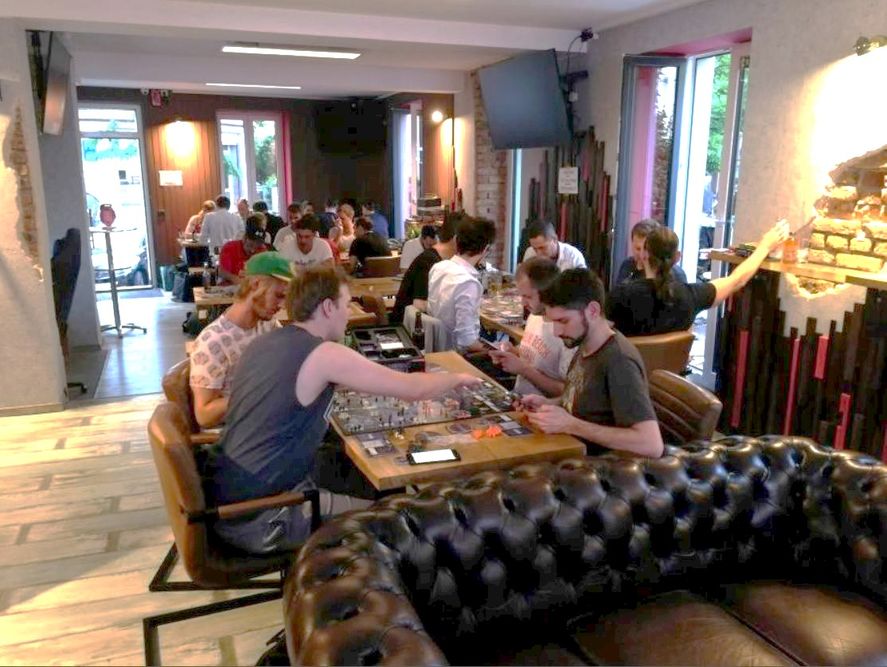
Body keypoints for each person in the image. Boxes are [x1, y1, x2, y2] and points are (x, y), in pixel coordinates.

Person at [206, 265, 481, 554]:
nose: (348, 313)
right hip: (264, 515)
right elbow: (413, 389)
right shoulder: (325, 354)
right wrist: (458, 378)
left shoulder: (263, 341)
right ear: (327, 307)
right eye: (346, 304)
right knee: (405, 520)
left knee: (370, 480)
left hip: (230, 495)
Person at [517, 269, 663, 458]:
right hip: (568, 448)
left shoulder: (619, 360)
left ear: (593, 311)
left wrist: (571, 424)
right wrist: (549, 405)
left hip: (596, 467)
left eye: (563, 321)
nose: (556, 331)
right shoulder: (583, 343)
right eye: (553, 322)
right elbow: (588, 402)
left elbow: (651, 444)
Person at [606, 220, 789, 337]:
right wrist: (765, 246)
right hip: (669, 383)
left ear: (645, 255)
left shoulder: (621, 295)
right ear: (677, 257)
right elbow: (737, 280)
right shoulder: (691, 295)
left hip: (627, 383)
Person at [189, 252, 292, 428]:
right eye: (278, 295)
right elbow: (204, 415)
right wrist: (256, 394)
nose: (282, 305)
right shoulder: (213, 341)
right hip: (243, 434)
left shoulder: (269, 326)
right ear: (255, 284)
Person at [489, 257, 574, 397]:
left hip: (543, 407)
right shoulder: (535, 315)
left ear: (547, 292)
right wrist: (513, 351)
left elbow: (568, 394)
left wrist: (523, 369)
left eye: (528, 297)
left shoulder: (567, 332)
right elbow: (535, 357)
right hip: (519, 399)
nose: (522, 303)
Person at [427, 216, 496, 353]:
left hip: (436, 346)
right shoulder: (468, 283)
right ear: (486, 249)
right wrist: (498, 350)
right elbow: (467, 342)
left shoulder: (438, 267)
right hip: (459, 355)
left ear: (456, 241)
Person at [392, 214, 460, 323]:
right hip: (407, 326)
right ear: (456, 239)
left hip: (420, 323)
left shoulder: (436, 259)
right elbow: (419, 305)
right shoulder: (428, 262)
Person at [615, 219, 687, 284]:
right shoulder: (627, 265)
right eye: (638, 249)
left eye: (646, 249)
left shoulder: (677, 275)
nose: (642, 254)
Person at [218, 215, 269, 285]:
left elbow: (266, 273)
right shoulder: (230, 248)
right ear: (244, 239)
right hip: (230, 287)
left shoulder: (263, 250)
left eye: (257, 247)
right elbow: (222, 272)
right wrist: (234, 278)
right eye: (250, 245)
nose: (252, 250)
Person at [522, 220, 587, 270]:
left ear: (555, 239)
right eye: (535, 249)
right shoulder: (530, 252)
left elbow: (583, 282)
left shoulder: (573, 256)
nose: (538, 253)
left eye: (542, 248)